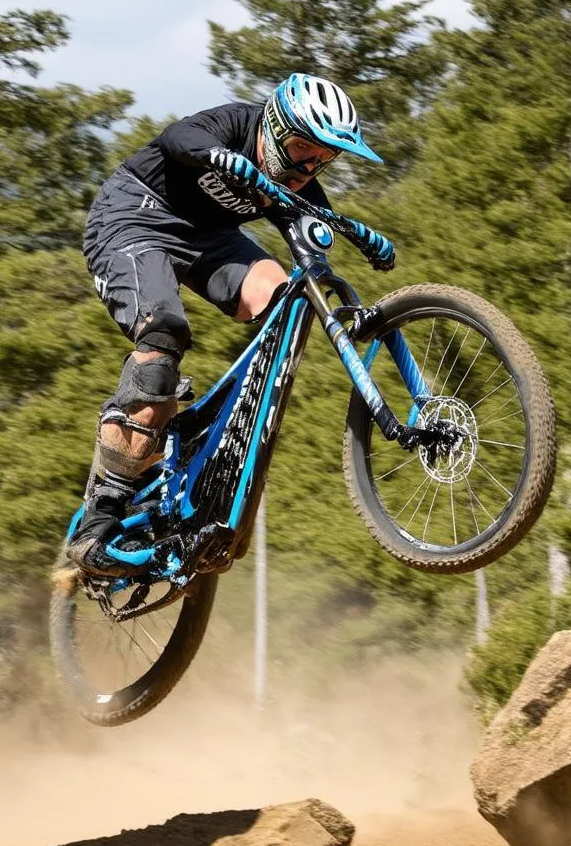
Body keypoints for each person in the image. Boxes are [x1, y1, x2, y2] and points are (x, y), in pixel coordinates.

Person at [67, 72, 394, 574]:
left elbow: (316, 223)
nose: (310, 165)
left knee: (288, 298)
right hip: (132, 218)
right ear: (276, 126)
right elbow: (179, 137)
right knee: (165, 333)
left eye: (324, 158)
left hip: (207, 238)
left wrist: (360, 236)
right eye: (303, 147)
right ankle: (98, 519)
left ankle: (217, 435)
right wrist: (219, 156)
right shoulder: (237, 123)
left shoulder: (293, 180)